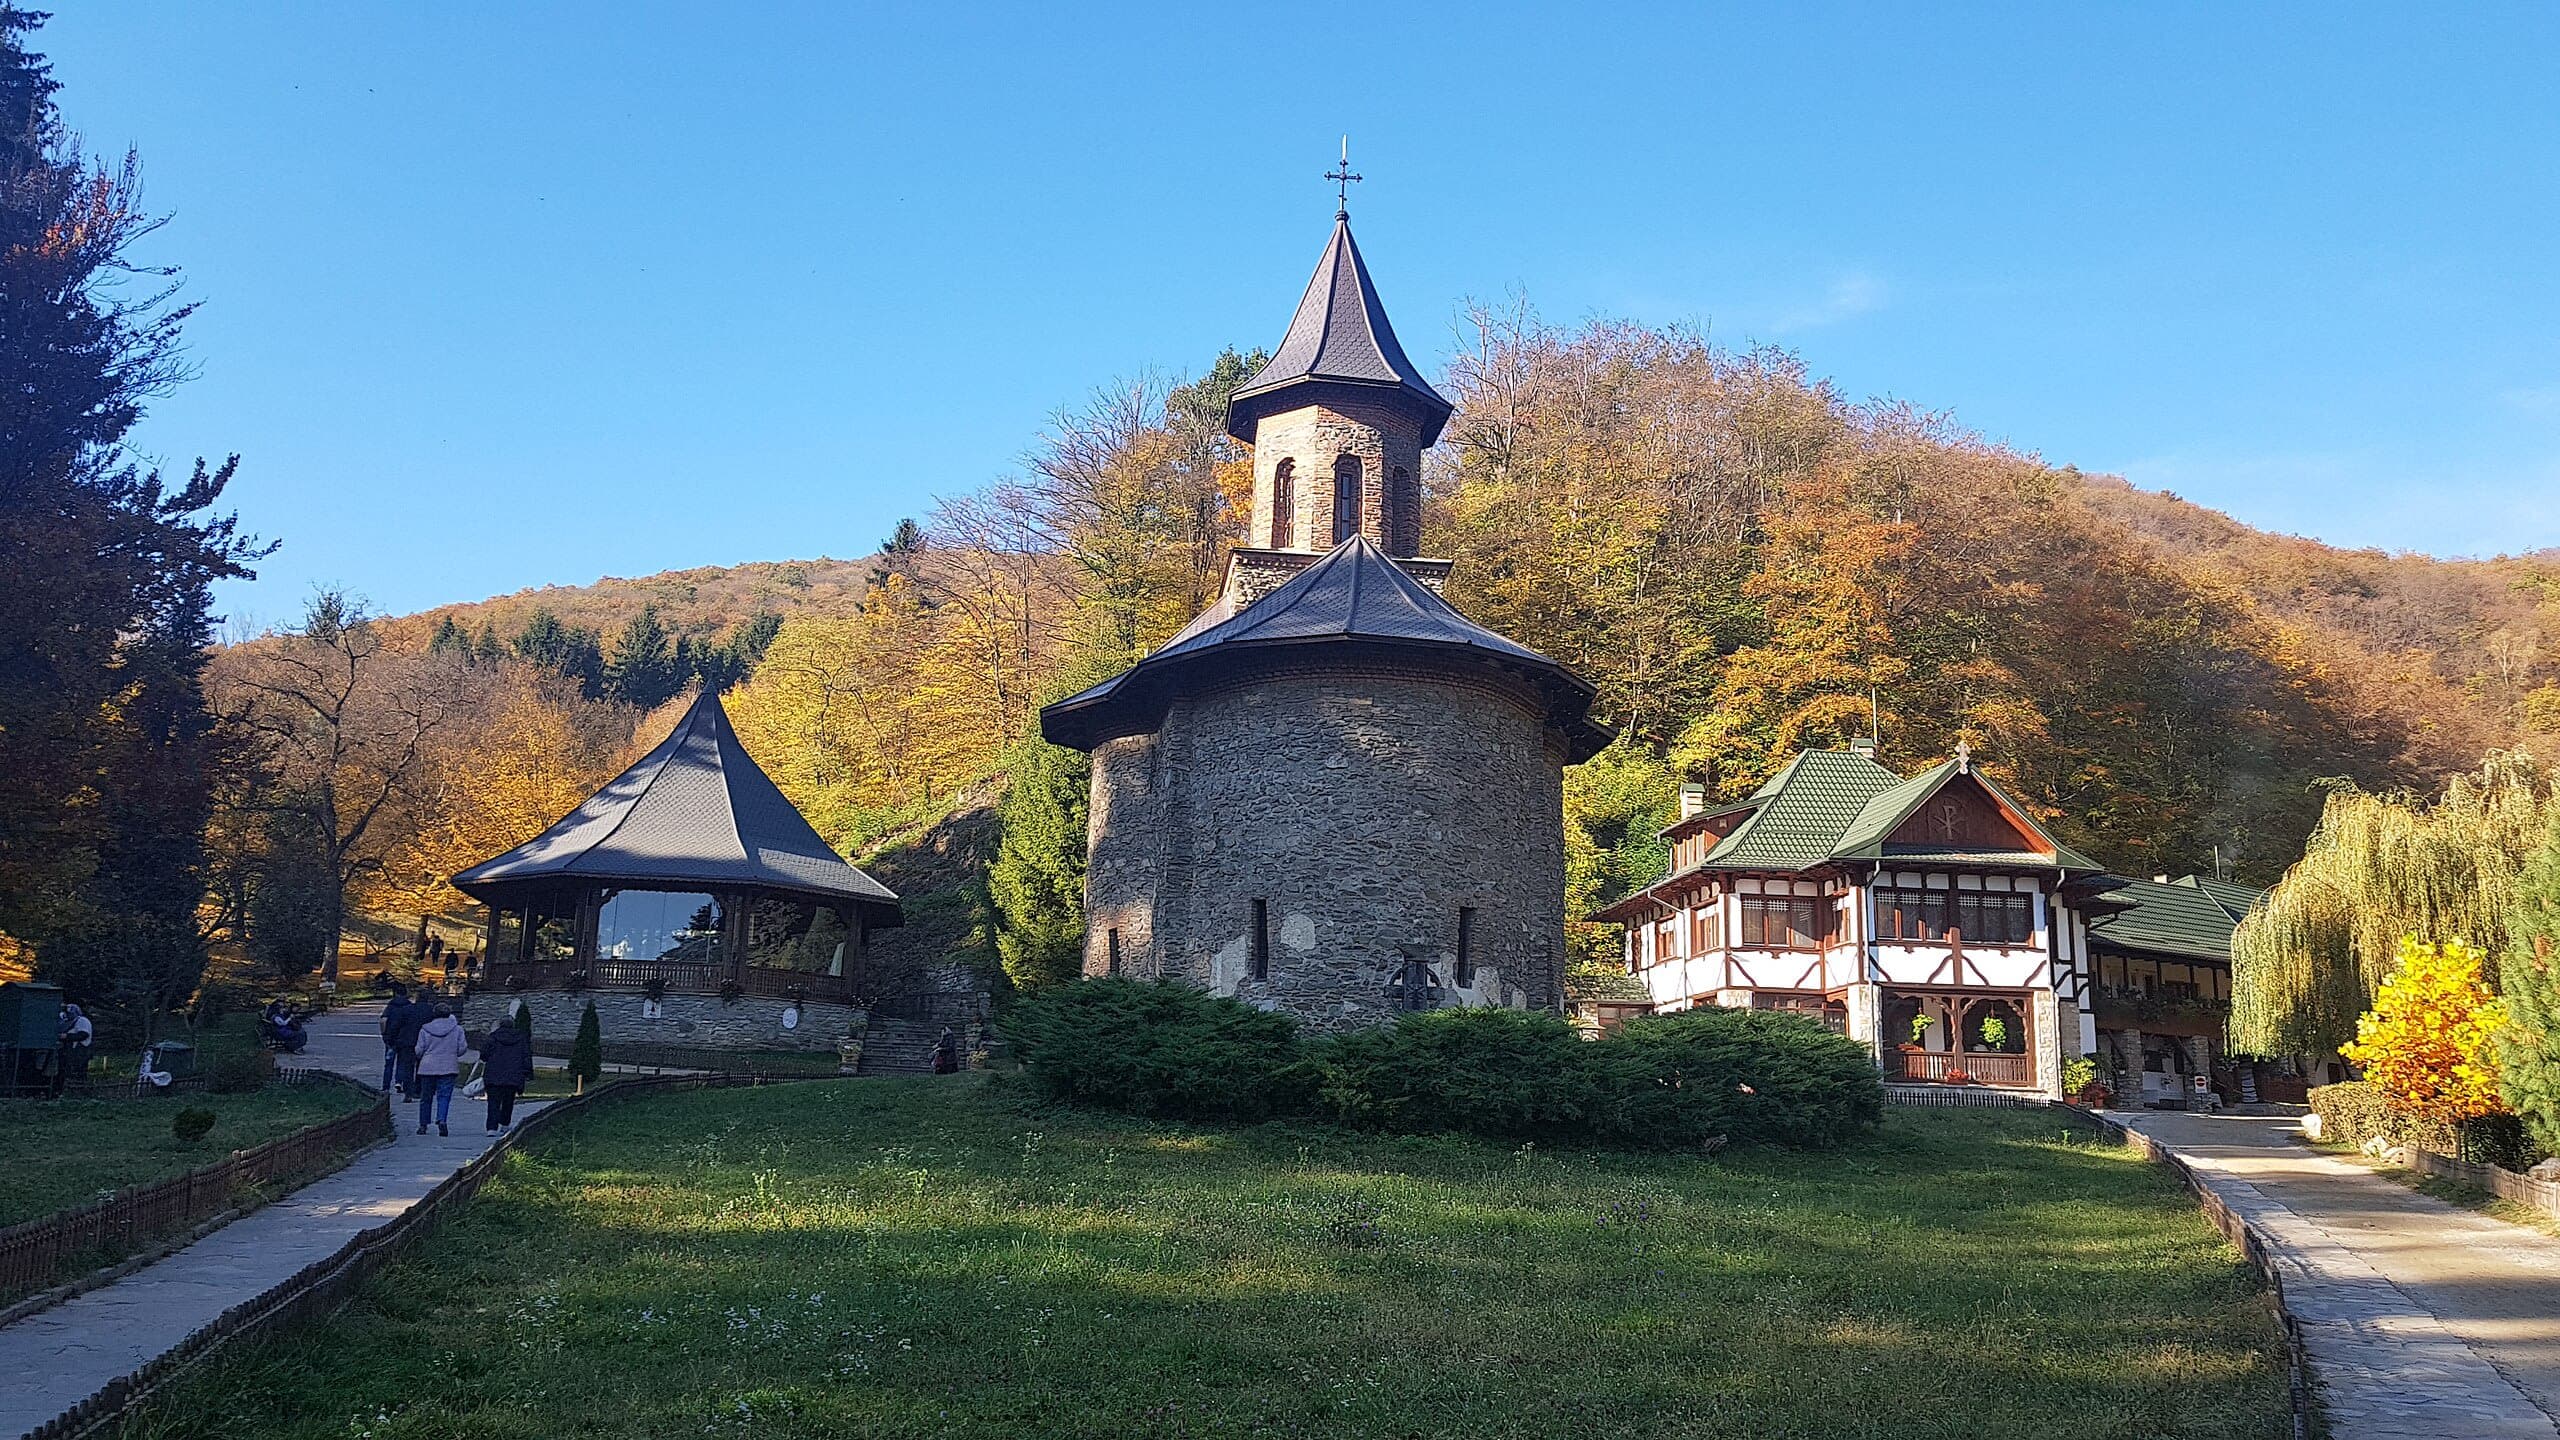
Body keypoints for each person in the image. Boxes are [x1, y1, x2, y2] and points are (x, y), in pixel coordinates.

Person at [412, 1003, 468, 1136]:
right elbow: (462, 1048)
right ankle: (442, 1120)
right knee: (444, 1096)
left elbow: (419, 1050)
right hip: (449, 1066)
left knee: (426, 1097)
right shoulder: (457, 1029)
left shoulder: (425, 1029)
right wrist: (453, 1054)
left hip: (427, 1067)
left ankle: (423, 1124)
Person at [478, 1012, 533, 1135]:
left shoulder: (493, 1037)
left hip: (494, 1074)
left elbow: (484, 1054)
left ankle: (491, 1127)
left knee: (493, 1102)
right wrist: (528, 1072)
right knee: (508, 1101)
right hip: (513, 1074)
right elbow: (526, 1056)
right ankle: (504, 1124)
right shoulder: (521, 1038)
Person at [382, 983, 425, 1100]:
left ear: (395, 993)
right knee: (402, 1063)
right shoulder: (409, 1007)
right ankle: (399, 1082)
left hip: (393, 1038)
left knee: (389, 1063)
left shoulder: (391, 1005)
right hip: (405, 1039)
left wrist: (385, 1035)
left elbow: (384, 1020)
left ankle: (386, 1086)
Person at [52, 1003, 92, 1097]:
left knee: (78, 1072)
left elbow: (83, 1034)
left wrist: (66, 1036)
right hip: (67, 1051)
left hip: (79, 1051)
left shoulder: (82, 1021)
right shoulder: (66, 1021)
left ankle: (77, 1091)